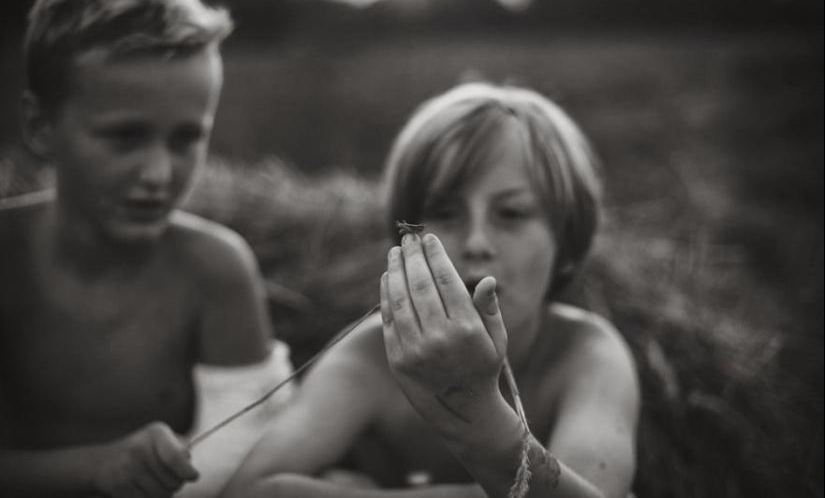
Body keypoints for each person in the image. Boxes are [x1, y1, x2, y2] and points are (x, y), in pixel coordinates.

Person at [221, 82, 641, 497]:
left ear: (566, 244)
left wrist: (473, 409)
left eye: (511, 214)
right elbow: (251, 490)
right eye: (445, 212)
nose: (477, 242)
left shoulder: (586, 354)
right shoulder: (371, 355)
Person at [0, 0, 293, 497]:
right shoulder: (7, 258)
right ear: (41, 127)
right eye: (125, 137)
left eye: (185, 139)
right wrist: (96, 468)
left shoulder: (216, 271)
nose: (158, 174)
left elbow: (248, 454)